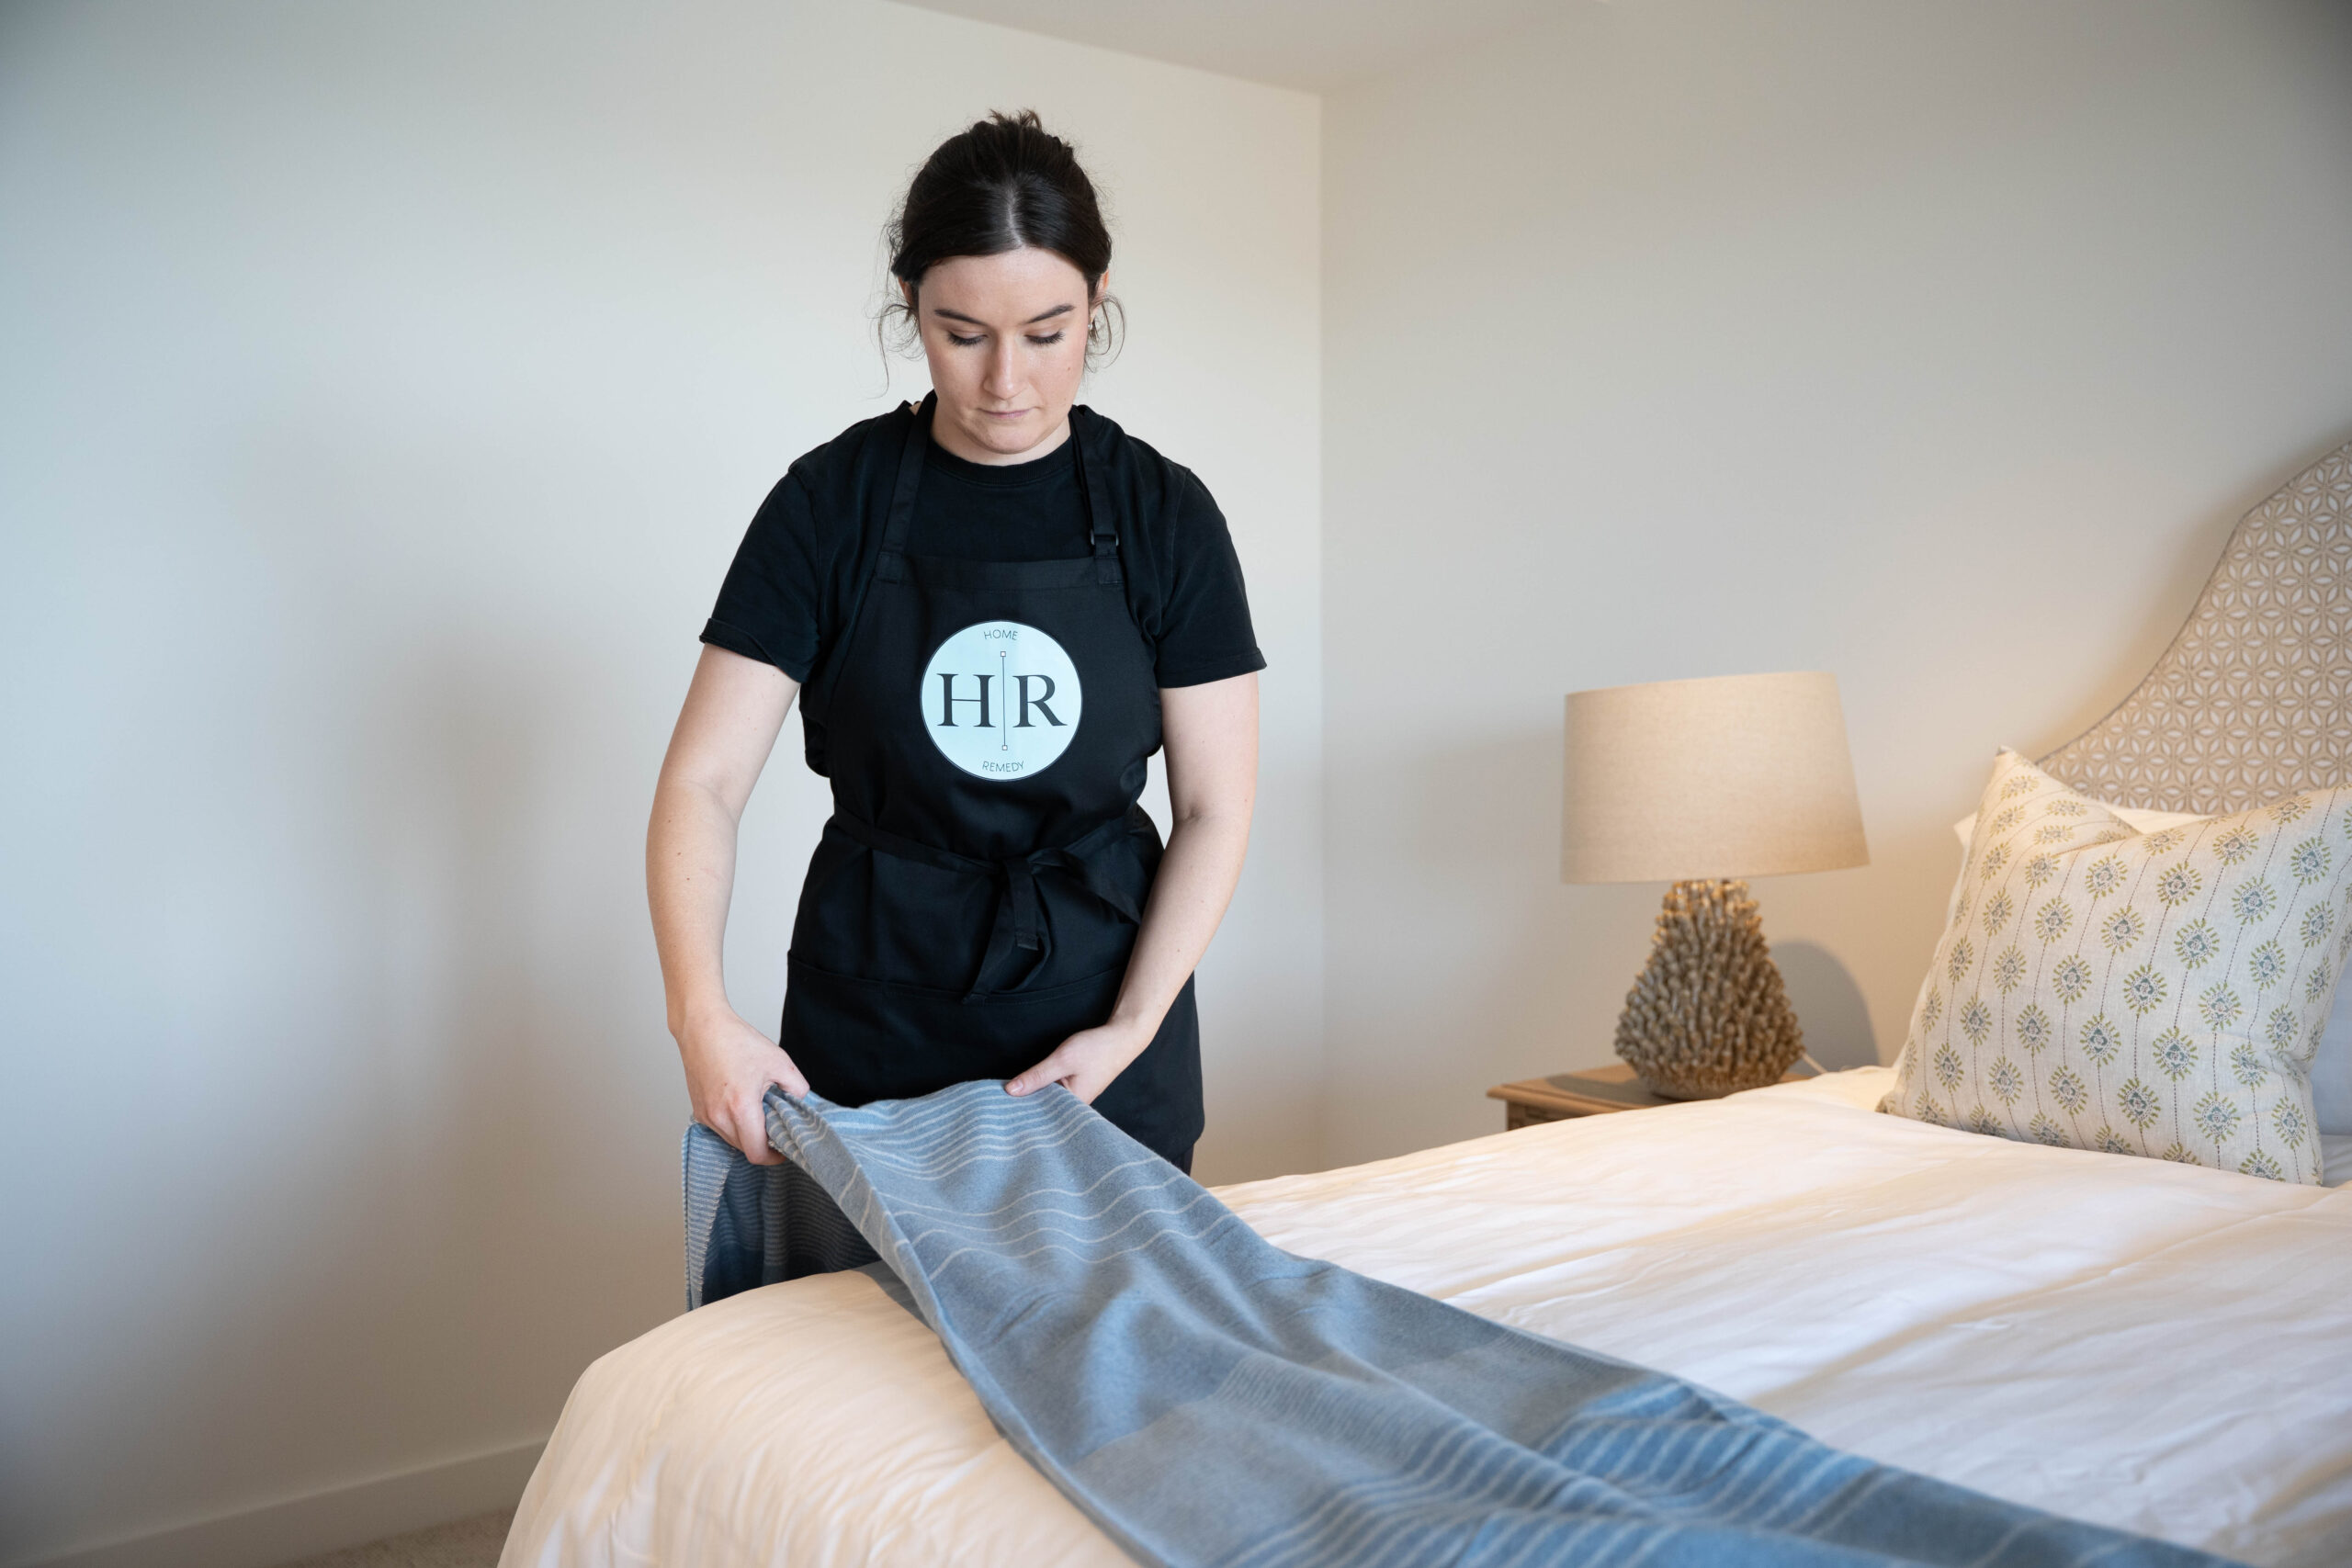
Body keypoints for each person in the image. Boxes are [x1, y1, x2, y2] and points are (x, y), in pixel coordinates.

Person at [647, 110, 1262, 1213]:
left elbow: (1214, 806)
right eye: (961, 333)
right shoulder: (826, 505)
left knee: (1103, 1361)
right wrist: (703, 1017)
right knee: (860, 1361)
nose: (1006, 382)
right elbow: (703, 781)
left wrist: (1131, 1028)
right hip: (875, 1010)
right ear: (912, 311)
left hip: (1104, 1019)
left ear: (1097, 302)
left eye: (1048, 331)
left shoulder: (1166, 514)